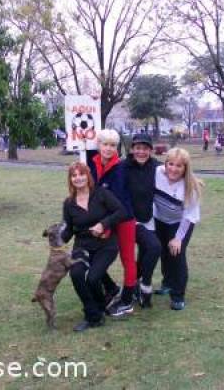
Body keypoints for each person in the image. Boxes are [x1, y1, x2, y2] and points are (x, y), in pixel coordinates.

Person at [62, 162, 126, 332]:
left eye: (81, 174)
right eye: (74, 175)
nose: (78, 178)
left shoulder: (101, 194)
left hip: (106, 244)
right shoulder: (69, 203)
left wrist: (103, 224)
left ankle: (99, 306)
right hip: (82, 245)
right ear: (70, 180)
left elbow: (121, 212)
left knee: (92, 278)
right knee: (76, 274)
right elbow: (68, 229)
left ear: (87, 175)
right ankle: (93, 314)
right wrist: (58, 239)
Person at [86, 129, 137, 317]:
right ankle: (111, 288)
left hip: (123, 218)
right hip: (102, 218)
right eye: (105, 144)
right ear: (98, 145)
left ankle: (127, 299)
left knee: (127, 258)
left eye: (113, 145)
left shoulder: (121, 168)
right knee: (93, 253)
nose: (108, 149)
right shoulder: (91, 162)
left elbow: (120, 202)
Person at [153, 148, 204, 310]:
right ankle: (167, 282)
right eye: (170, 164)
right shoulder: (157, 173)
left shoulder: (191, 187)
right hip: (160, 219)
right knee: (162, 251)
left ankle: (178, 295)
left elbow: (189, 216)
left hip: (180, 223)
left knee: (176, 253)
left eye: (179, 166)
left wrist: (178, 238)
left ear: (185, 168)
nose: (173, 169)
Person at [122, 134, 162, 308]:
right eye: (138, 148)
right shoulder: (123, 167)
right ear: (132, 149)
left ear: (150, 150)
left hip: (150, 217)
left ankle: (136, 284)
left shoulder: (157, 167)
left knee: (147, 252)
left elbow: (178, 174)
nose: (141, 152)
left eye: (145, 148)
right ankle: (145, 285)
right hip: (131, 219)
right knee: (154, 247)